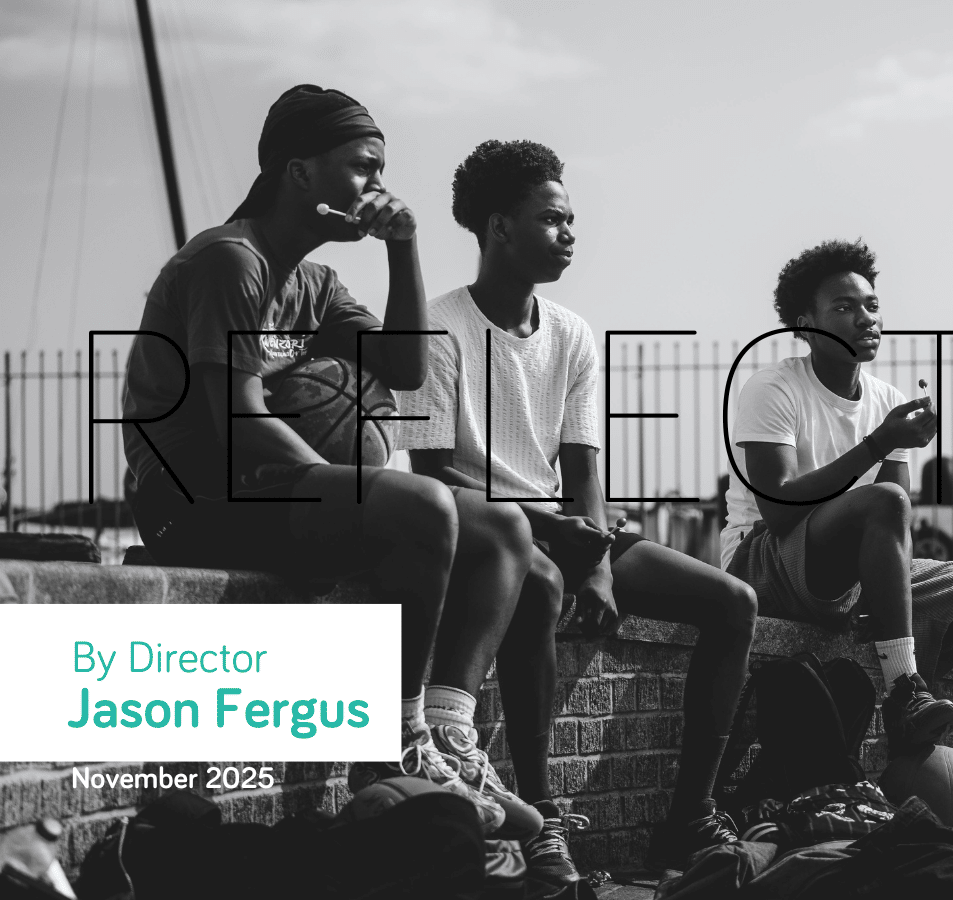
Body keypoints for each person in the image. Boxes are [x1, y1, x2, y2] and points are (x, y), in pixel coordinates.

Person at [121, 85, 540, 837]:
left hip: (270, 491)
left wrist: (404, 245)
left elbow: (406, 368)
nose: (377, 186)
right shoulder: (230, 260)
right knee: (422, 505)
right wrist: (340, 480)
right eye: (363, 167)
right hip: (191, 501)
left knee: (504, 528)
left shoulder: (315, 284)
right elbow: (237, 416)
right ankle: (391, 744)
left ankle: (447, 733)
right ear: (298, 172)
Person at [398, 140, 760, 879]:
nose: (569, 233)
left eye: (570, 219)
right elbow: (432, 476)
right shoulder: (437, 328)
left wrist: (597, 562)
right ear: (499, 227)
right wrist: (554, 536)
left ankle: (689, 818)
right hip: (486, 532)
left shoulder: (571, 333)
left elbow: (583, 469)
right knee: (539, 581)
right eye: (552, 218)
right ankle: (543, 820)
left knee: (734, 603)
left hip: (568, 530)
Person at [722, 239, 953, 845]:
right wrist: (876, 444)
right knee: (885, 499)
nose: (866, 318)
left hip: (845, 567)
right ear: (805, 324)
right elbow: (779, 506)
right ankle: (905, 688)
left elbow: (896, 519)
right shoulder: (772, 387)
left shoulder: (888, 400)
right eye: (844, 308)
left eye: (871, 305)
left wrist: (890, 449)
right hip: (764, 558)